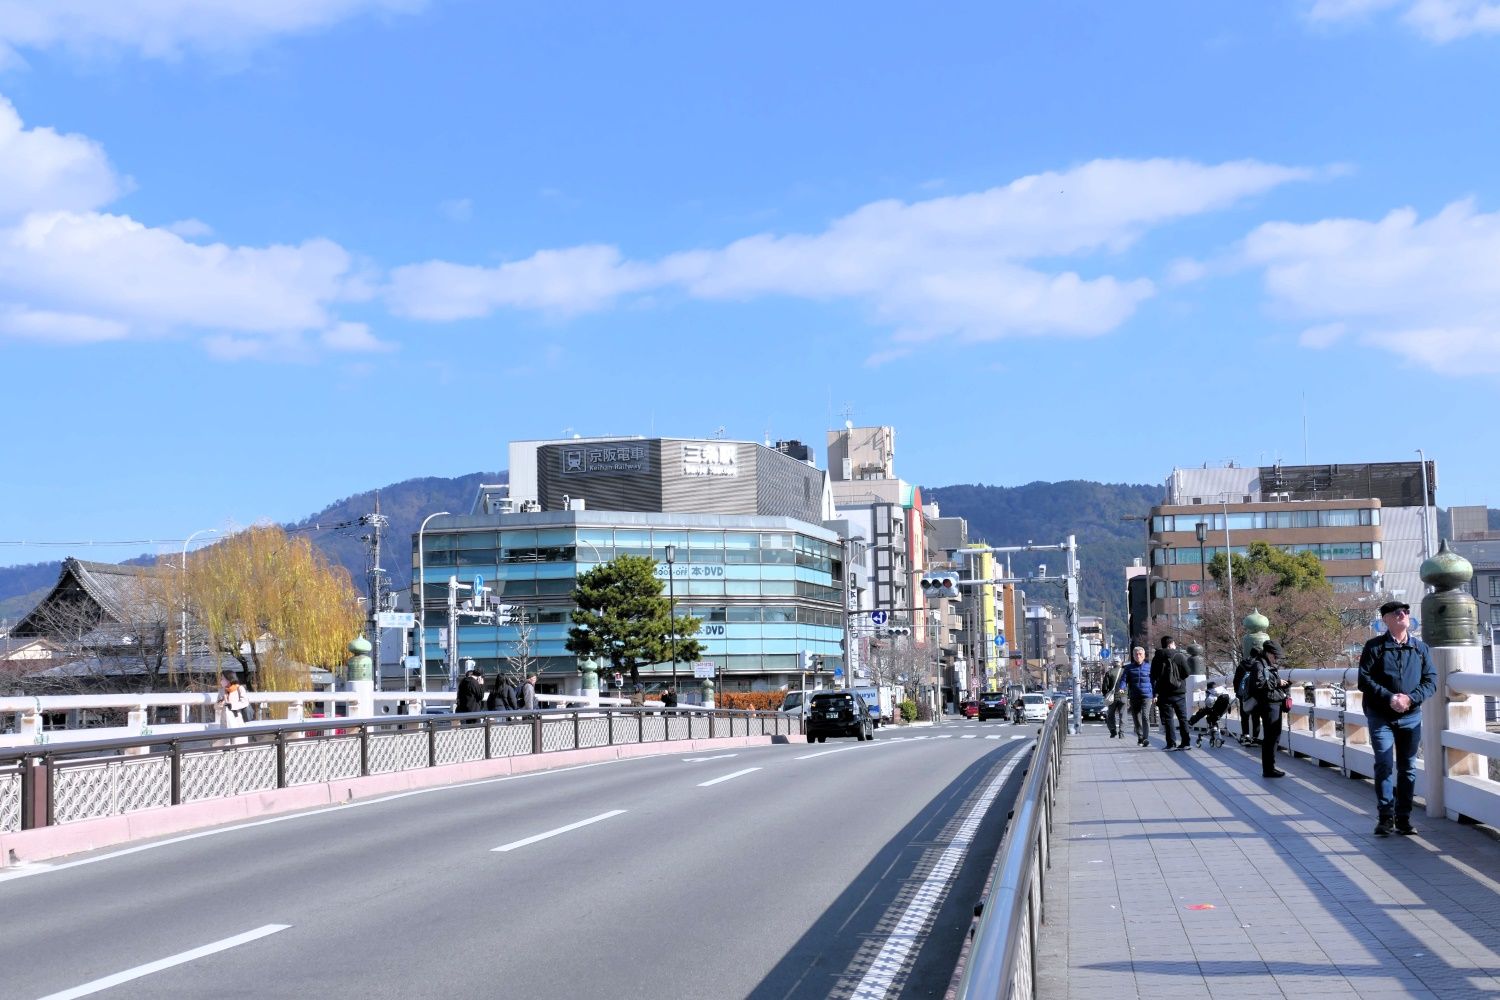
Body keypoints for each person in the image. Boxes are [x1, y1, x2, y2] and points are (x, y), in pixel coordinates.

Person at [1358, 600, 1437, 836]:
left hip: (1410, 716)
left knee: (1408, 767)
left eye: (1405, 611)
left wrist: (1410, 699)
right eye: (1396, 612)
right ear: (1386, 620)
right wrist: (1390, 697)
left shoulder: (1420, 648)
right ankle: (1385, 818)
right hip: (1380, 715)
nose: (1402, 614)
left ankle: (1403, 818)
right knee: (1383, 764)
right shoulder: (1374, 647)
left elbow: (1430, 681)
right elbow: (1364, 680)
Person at [1247, 639, 1291, 778]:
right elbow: (1258, 683)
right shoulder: (1259, 665)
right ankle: (1268, 769)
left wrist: (1281, 685)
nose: (1276, 658)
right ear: (1267, 653)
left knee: (1274, 736)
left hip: (1273, 702)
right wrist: (1277, 682)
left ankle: (1270, 767)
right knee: (1271, 737)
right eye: (1275, 655)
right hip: (1268, 704)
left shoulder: (1265, 664)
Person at [1150, 635, 1191, 750]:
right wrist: (1178, 680)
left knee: (1168, 719)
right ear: (1170, 644)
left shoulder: (1157, 657)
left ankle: (1171, 743)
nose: (1175, 646)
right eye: (1174, 644)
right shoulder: (1179, 656)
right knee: (1182, 718)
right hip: (1179, 691)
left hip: (1163, 693)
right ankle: (1185, 743)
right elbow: (1187, 672)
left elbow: (1153, 675)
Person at [1122, 646, 1153, 746]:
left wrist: (1155, 694)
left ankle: (1146, 738)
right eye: (1136, 654)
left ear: (1144, 656)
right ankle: (1140, 736)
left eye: (1140, 654)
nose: (1138, 656)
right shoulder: (1128, 668)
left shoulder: (1149, 667)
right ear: (1133, 656)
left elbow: (1154, 681)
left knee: (1145, 716)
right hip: (1134, 696)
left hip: (1147, 695)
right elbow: (1123, 680)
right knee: (1136, 717)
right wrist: (1122, 688)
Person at [1188, 681, 1232, 747]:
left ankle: (1191, 722)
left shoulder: (1211, 693)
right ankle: (1214, 726)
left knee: (1203, 712)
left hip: (1214, 712)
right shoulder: (1224, 691)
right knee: (1209, 712)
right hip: (1222, 711)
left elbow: (1209, 704)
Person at [1233, 651, 1263, 746]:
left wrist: (1238, 693)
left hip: (1244, 695)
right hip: (1255, 694)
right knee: (1256, 717)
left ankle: (1245, 737)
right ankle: (1254, 738)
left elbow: (1236, 680)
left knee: (1244, 716)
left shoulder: (1242, 664)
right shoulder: (1259, 664)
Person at [1101, 659, 1126, 739]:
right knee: (1123, 715)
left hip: (1112, 697)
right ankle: (1121, 733)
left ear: (1113, 664)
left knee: (1111, 715)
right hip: (1123, 696)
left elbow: (1105, 686)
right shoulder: (1125, 671)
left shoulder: (1109, 672)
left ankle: (1113, 731)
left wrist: (1105, 694)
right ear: (1121, 663)